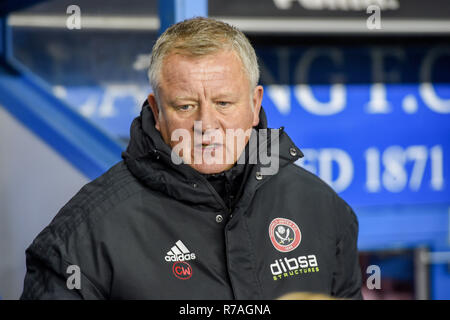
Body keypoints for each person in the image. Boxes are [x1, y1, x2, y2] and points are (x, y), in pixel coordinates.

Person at [21, 17, 362, 300]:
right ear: (156, 111)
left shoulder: (323, 209)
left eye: (224, 103)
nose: (207, 126)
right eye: (185, 106)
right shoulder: (81, 236)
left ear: (254, 105)